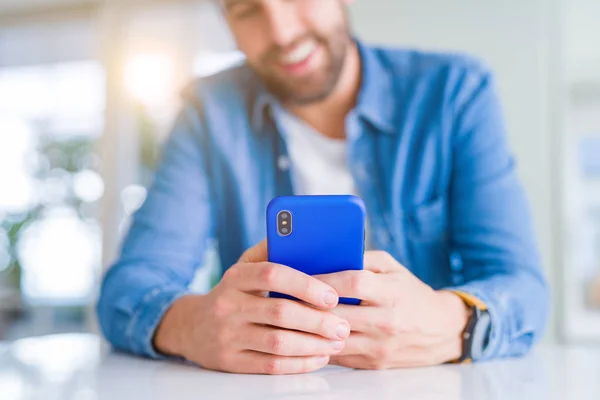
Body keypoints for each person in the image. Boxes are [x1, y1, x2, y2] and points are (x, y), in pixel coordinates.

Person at [97, 0, 549, 374]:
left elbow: (522, 285)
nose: (281, 31)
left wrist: (455, 325)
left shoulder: (456, 92)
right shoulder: (208, 113)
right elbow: (128, 288)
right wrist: (192, 325)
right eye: (247, 9)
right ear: (227, 25)